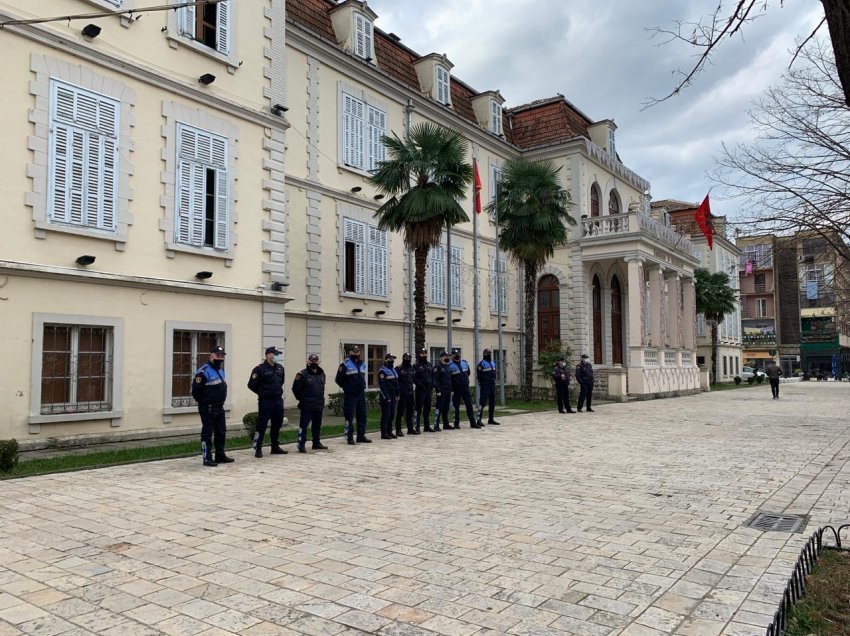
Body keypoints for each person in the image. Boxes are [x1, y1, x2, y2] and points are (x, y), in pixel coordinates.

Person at [192, 345, 234, 467]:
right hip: (208, 408)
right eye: (218, 355)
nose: (220, 358)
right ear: (211, 356)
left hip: (219, 407)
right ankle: (207, 457)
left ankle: (220, 455)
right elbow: (196, 391)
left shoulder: (220, 370)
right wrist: (204, 402)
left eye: (222, 356)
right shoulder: (203, 371)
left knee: (221, 431)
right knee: (207, 433)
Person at [247, 346, 288, 458]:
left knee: (277, 423)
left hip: (278, 400)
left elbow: (281, 381)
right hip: (266, 401)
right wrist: (263, 393)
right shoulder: (259, 369)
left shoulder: (280, 368)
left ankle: (275, 446)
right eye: (275, 354)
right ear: (268, 355)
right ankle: (258, 447)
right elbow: (251, 385)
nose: (277, 356)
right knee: (262, 425)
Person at [291, 354, 328, 452]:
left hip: (318, 404)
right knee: (304, 426)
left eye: (316, 361)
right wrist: (302, 399)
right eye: (312, 361)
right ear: (308, 362)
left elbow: (322, 389)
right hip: (307, 405)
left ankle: (316, 443)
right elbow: (295, 389)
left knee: (317, 425)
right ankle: (301, 444)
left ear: (318, 362)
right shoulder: (302, 374)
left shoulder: (322, 374)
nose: (314, 363)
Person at [335, 346, 371, 444]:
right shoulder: (345, 364)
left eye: (358, 351)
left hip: (361, 394)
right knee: (349, 416)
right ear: (350, 352)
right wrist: (347, 387)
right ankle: (349, 437)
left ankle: (361, 435)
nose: (356, 353)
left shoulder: (362, 364)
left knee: (362, 415)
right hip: (350, 394)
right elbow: (338, 379)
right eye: (354, 351)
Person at [449, 349, 479, 429]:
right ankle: (456, 423)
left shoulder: (464, 362)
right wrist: (452, 389)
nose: (456, 355)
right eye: (455, 354)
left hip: (465, 387)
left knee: (469, 404)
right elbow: (449, 379)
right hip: (456, 388)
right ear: (452, 356)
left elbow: (468, 372)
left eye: (457, 353)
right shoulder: (450, 365)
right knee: (456, 406)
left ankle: (473, 423)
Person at [476, 349, 500, 426]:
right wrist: (482, 384)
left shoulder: (493, 363)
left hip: (492, 385)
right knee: (482, 402)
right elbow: (479, 376)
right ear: (484, 354)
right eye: (487, 354)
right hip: (485, 385)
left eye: (490, 353)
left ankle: (491, 419)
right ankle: (478, 419)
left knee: (492, 402)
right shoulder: (481, 364)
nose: (489, 355)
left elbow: (494, 373)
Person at [378, 353, 400, 439]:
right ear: (386, 360)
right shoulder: (383, 370)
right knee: (386, 415)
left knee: (391, 414)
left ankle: (390, 431)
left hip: (393, 394)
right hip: (386, 395)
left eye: (393, 359)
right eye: (390, 359)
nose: (392, 361)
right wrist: (386, 397)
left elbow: (396, 384)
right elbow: (382, 385)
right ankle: (384, 433)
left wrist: (397, 394)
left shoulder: (393, 370)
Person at [412, 348, 432, 434]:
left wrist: (432, 384)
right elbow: (414, 378)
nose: (424, 355)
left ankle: (427, 426)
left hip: (428, 389)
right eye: (422, 353)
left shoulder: (429, 364)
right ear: (419, 354)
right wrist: (420, 384)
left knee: (427, 408)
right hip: (420, 390)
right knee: (418, 408)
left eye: (425, 353)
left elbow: (432, 376)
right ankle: (417, 427)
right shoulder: (416, 365)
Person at [394, 353, 415, 436]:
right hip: (402, 393)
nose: (408, 359)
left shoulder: (411, 368)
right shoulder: (398, 368)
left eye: (409, 358)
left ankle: (410, 428)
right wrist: (397, 393)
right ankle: (398, 430)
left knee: (410, 412)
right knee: (400, 412)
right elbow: (396, 382)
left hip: (410, 393)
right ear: (403, 358)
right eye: (406, 358)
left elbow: (413, 379)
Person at [432, 350, 452, 432]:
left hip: (447, 389)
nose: (447, 358)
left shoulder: (447, 366)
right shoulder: (437, 367)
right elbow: (435, 380)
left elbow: (449, 379)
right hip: (441, 390)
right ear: (441, 358)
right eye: (445, 356)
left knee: (446, 408)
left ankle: (445, 424)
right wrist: (438, 390)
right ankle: (436, 424)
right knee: (439, 407)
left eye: (447, 356)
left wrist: (451, 389)